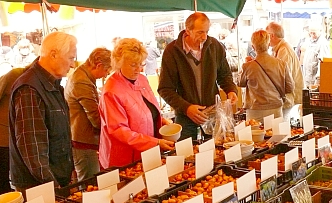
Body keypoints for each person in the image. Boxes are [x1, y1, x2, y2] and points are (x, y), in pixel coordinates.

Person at [9, 32, 77, 194]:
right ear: (53, 55)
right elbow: (33, 150)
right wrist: (55, 188)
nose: (73, 64)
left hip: (55, 179)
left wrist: (69, 170)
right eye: (71, 58)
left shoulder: (52, 84)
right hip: (38, 186)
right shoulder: (30, 89)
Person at [158, 12, 238, 141]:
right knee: (186, 155)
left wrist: (231, 90)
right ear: (187, 30)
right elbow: (165, 89)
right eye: (200, 32)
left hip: (212, 113)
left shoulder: (215, 46)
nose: (204, 37)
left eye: (206, 31)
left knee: (216, 153)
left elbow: (224, 75)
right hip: (185, 115)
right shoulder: (172, 51)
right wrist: (187, 108)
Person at [99, 38, 174, 169]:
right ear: (119, 63)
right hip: (125, 158)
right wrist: (155, 142)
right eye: (133, 65)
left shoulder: (142, 80)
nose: (139, 69)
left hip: (147, 153)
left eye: (141, 64)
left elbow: (146, 111)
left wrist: (161, 121)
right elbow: (119, 130)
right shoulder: (111, 91)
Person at [0, 60, 37, 195]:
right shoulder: (14, 75)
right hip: (2, 134)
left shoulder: (38, 82)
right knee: (2, 170)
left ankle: (10, 197)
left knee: (13, 171)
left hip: (19, 135)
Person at [65, 48, 111, 181]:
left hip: (82, 139)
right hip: (83, 141)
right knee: (89, 182)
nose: (106, 75)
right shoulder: (82, 81)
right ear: (99, 65)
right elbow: (95, 117)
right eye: (106, 70)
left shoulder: (82, 75)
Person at [239, 30, 294, 122]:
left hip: (255, 109)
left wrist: (245, 65)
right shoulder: (282, 64)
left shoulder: (247, 66)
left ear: (253, 47)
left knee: (254, 135)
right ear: (268, 45)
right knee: (276, 135)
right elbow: (290, 88)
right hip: (275, 108)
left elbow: (240, 83)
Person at [266, 22, 304, 108]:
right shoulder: (279, 49)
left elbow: (283, 77)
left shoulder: (284, 51)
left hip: (289, 98)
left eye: (266, 35)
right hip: (287, 97)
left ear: (272, 35)